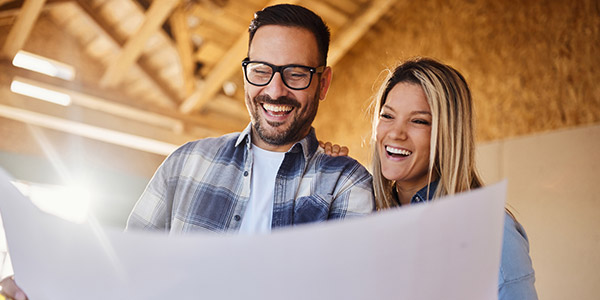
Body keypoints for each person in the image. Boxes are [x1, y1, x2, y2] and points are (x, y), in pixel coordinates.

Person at [0, 4, 374, 298]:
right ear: (246, 72)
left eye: (295, 74)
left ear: (322, 83)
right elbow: (125, 271)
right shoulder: (186, 164)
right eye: (261, 70)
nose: (274, 91)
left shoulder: (347, 184)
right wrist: (53, 286)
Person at [369, 57, 538, 299]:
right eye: (387, 116)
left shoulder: (492, 231)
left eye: (418, 121)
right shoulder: (365, 215)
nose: (395, 133)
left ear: (448, 134)